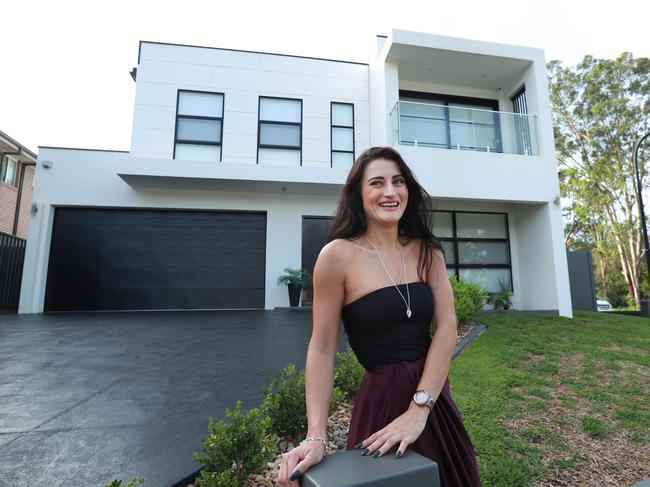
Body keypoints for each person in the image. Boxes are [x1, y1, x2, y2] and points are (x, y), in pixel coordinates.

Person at [278, 147, 481, 486]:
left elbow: (447, 327)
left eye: (398, 181)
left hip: (433, 398)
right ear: (358, 195)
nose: (390, 192)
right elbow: (322, 349)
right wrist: (316, 435)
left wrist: (419, 409)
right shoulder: (337, 256)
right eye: (377, 183)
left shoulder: (427, 250)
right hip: (382, 402)